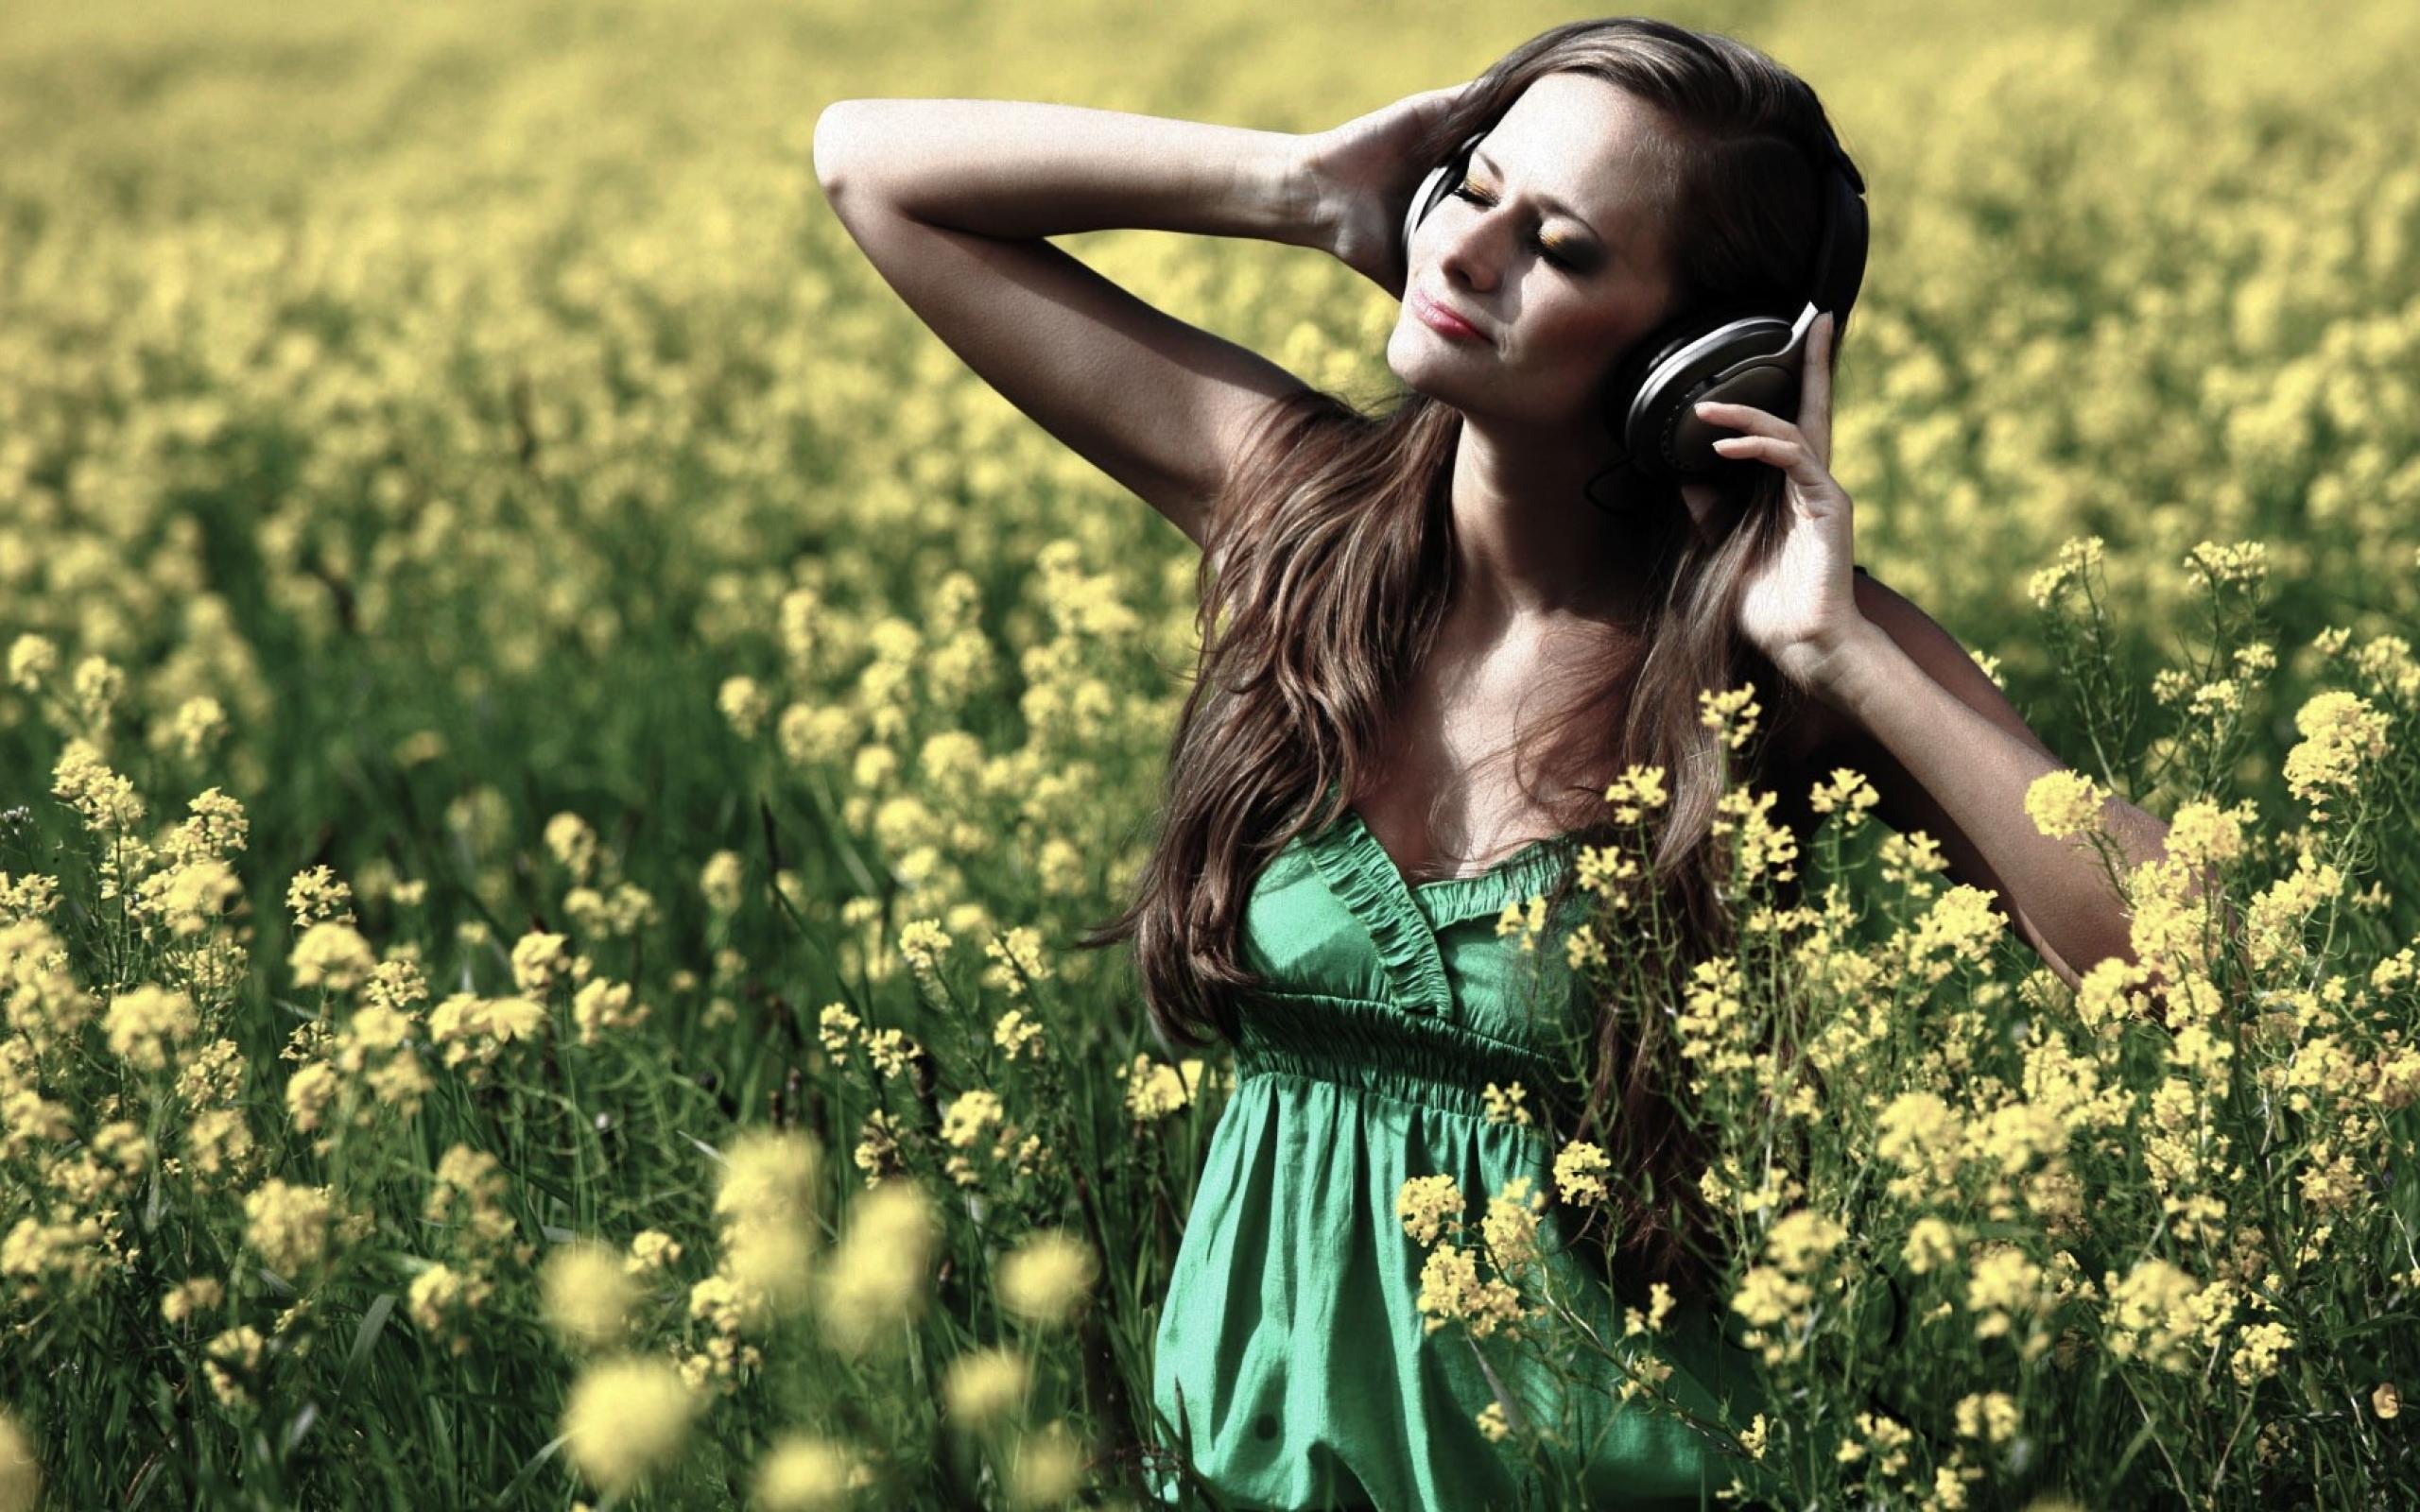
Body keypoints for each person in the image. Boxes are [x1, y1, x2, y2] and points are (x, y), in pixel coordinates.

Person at [816, 14, 2153, 1508]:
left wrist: (1847, 656)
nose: (1462, 250)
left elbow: (2181, 961)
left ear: (1695, 356)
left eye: (1559, 248)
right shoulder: (1300, 522)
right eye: (1470, 188)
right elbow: (872, 168)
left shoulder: (1768, 652)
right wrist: (1304, 188)